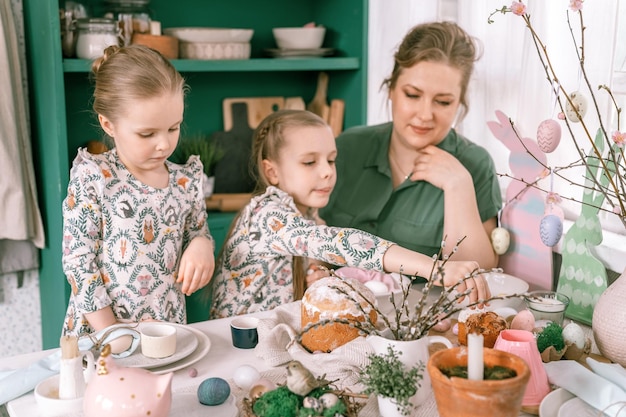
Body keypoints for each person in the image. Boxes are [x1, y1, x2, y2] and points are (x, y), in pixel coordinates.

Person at [209, 109, 490, 319]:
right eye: (310, 162)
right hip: (238, 345)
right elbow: (340, 243)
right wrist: (436, 270)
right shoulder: (267, 215)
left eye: (331, 159)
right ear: (272, 171)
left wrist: (316, 272)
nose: (327, 171)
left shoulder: (307, 216)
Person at [61, 45, 215, 341]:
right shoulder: (96, 177)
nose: (163, 144)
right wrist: (111, 332)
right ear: (109, 124)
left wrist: (201, 244)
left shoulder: (185, 181)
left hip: (167, 332)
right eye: (148, 134)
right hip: (102, 335)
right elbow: (78, 261)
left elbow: (198, 230)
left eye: (174, 128)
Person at [320, 22, 501, 269]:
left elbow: (477, 275)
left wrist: (458, 186)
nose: (425, 114)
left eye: (443, 102)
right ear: (391, 89)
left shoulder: (475, 164)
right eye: (413, 95)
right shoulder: (346, 147)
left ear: (459, 103)